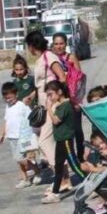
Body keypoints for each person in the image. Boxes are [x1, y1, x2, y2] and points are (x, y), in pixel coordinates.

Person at [25, 30, 69, 197]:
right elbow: (41, 85)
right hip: (44, 107)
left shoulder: (49, 57)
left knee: (44, 142)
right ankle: (64, 179)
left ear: (32, 45)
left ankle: (62, 179)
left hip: (53, 107)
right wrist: (32, 96)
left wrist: (57, 99)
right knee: (46, 142)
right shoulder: (40, 59)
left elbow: (61, 77)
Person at [42, 80, 81, 205]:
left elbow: (56, 121)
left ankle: (94, 185)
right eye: (47, 95)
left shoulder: (64, 106)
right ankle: (55, 193)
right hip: (60, 140)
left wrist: (48, 109)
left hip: (65, 141)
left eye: (50, 94)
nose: (49, 97)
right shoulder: (61, 105)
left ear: (59, 92)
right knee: (58, 168)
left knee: (74, 166)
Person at [0, 81, 39, 188]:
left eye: (10, 98)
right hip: (12, 137)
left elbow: (30, 119)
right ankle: (25, 179)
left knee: (22, 158)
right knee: (18, 160)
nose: (8, 100)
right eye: (6, 98)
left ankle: (36, 170)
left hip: (22, 137)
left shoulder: (22, 105)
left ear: (16, 94)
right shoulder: (8, 107)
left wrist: (33, 133)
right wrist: (3, 134)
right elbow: (6, 120)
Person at [52, 32, 85, 156]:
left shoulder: (71, 58)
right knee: (63, 131)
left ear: (66, 44)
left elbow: (79, 78)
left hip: (73, 99)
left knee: (76, 129)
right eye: (56, 44)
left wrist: (76, 99)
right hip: (58, 101)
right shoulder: (52, 60)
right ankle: (67, 155)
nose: (59, 46)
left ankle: (80, 156)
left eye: (61, 43)